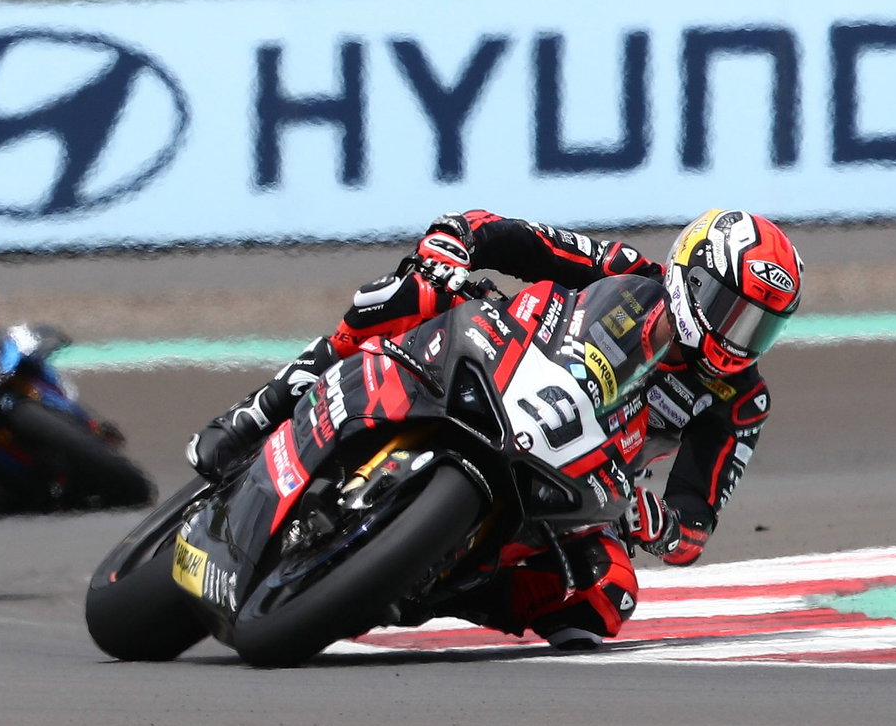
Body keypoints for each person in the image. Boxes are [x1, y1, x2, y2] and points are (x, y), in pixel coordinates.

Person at [185, 208, 804, 649]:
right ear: (691, 278)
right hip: (502, 367)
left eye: (760, 326)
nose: (741, 337)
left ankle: (430, 581)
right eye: (733, 312)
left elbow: (694, 527)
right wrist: (451, 247)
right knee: (415, 293)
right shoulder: (622, 270)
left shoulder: (740, 402)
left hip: (585, 472)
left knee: (606, 597)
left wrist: (658, 523)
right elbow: (507, 236)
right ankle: (263, 410)